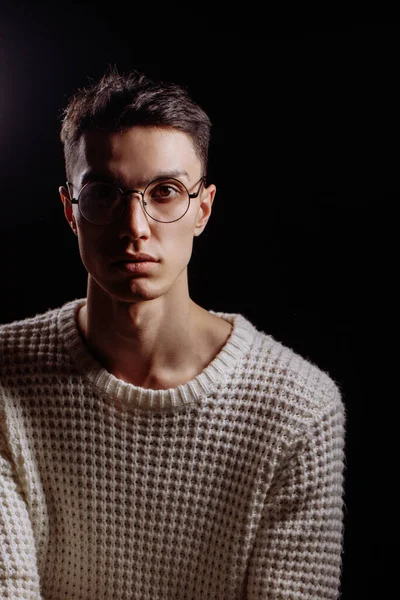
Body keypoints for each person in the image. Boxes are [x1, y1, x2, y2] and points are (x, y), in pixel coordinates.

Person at [0, 67, 346, 600]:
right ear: (71, 211)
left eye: (164, 192)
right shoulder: (5, 373)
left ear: (202, 209)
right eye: (104, 195)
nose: (134, 227)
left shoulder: (298, 408)